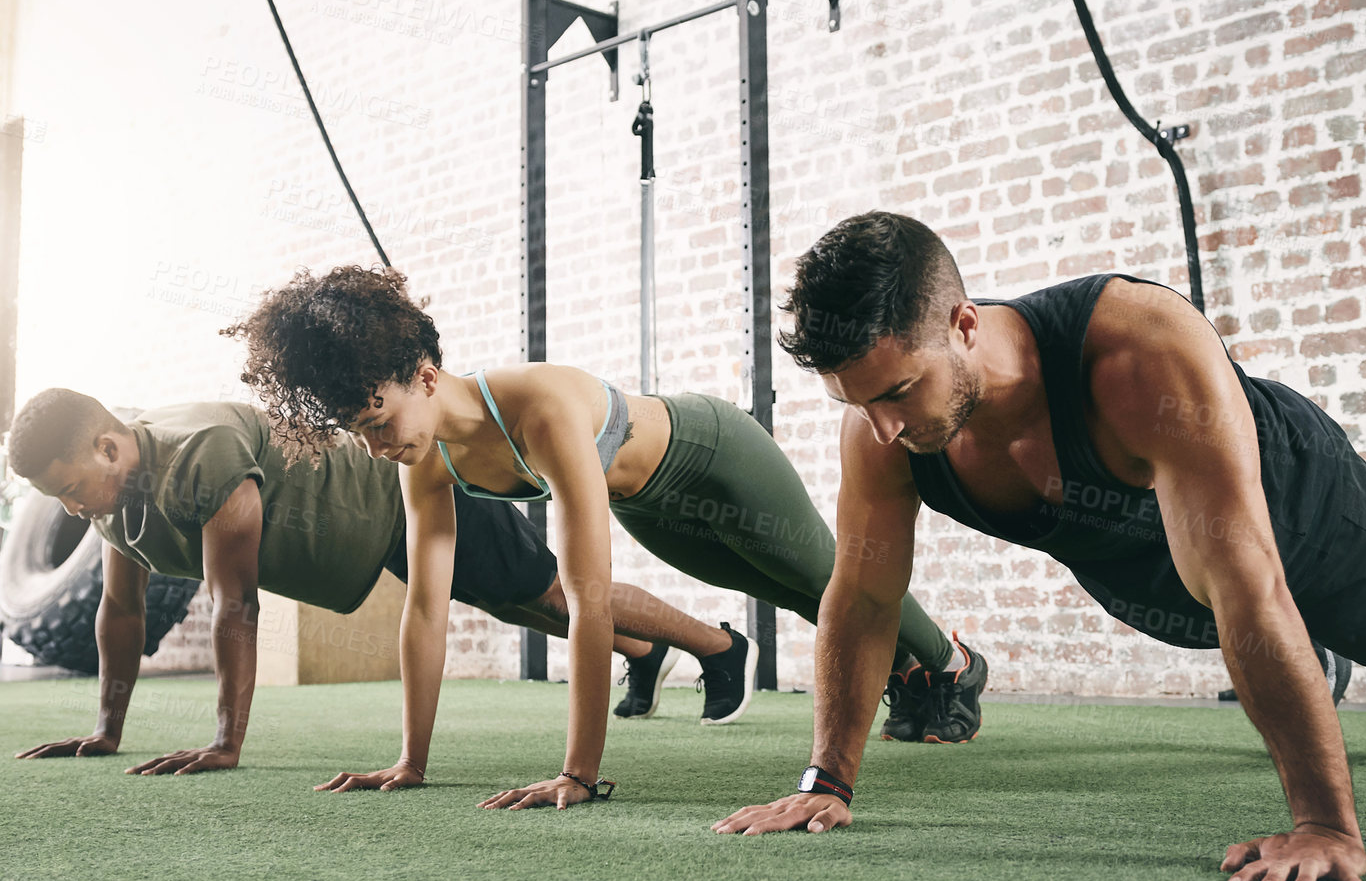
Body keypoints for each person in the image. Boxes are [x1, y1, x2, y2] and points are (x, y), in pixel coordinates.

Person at [714, 211, 1366, 881]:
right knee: (1218, 619)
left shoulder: (1140, 352)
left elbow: (1247, 582)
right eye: (857, 402)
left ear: (964, 324)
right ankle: (1305, 657)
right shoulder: (883, 429)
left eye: (899, 391)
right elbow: (863, 599)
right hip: (1154, 564)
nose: (883, 428)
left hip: (1289, 496)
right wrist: (827, 779)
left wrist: (1322, 824)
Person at [222, 266, 982, 811]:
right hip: (650, 504)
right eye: (359, 433)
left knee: (837, 577)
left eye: (378, 420)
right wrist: (410, 761)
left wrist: (577, 774)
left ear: (424, 376)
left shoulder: (539, 408)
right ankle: (912, 677)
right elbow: (425, 609)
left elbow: (588, 606)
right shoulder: (425, 458)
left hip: (715, 456)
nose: (376, 444)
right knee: (793, 592)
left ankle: (953, 664)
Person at [7, 390, 746, 777]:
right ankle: (644, 655)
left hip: (400, 489)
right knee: (520, 603)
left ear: (108, 447)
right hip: (362, 530)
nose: (74, 507)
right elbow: (119, 609)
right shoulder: (111, 498)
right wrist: (108, 730)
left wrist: (225, 742)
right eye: (62, 498)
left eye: (73, 487)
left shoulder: (201, 453)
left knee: (550, 592)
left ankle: (718, 646)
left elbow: (237, 603)